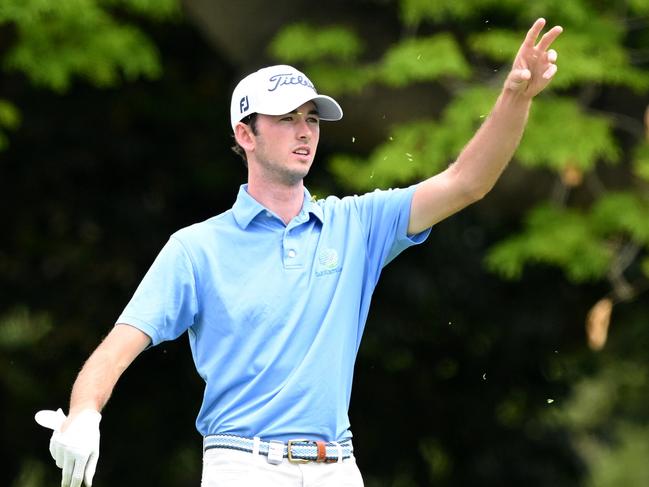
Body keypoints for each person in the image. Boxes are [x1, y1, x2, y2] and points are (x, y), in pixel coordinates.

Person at [35, 18, 562, 487]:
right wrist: (84, 415)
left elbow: (467, 182)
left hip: (338, 466)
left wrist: (515, 96)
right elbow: (113, 352)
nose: (305, 131)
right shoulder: (196, 249)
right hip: (242, 467)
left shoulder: (355, 225)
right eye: (287, 119)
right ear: (246, 133)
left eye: (311, 119)